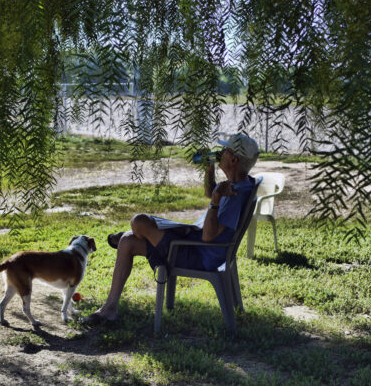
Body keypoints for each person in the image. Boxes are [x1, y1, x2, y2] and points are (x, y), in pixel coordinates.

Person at [84, 133, 259, 323]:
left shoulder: (234, 194)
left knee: (139, 221)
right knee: (128, 241)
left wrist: (216, 200)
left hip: (197, 254)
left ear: (233, 159)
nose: (220, 153)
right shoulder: (241, 184)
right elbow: (210, 192)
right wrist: (209, 170)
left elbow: (208, 236)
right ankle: (109, 309)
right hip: (194, 245)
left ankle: (145, 243)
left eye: (224, 150)